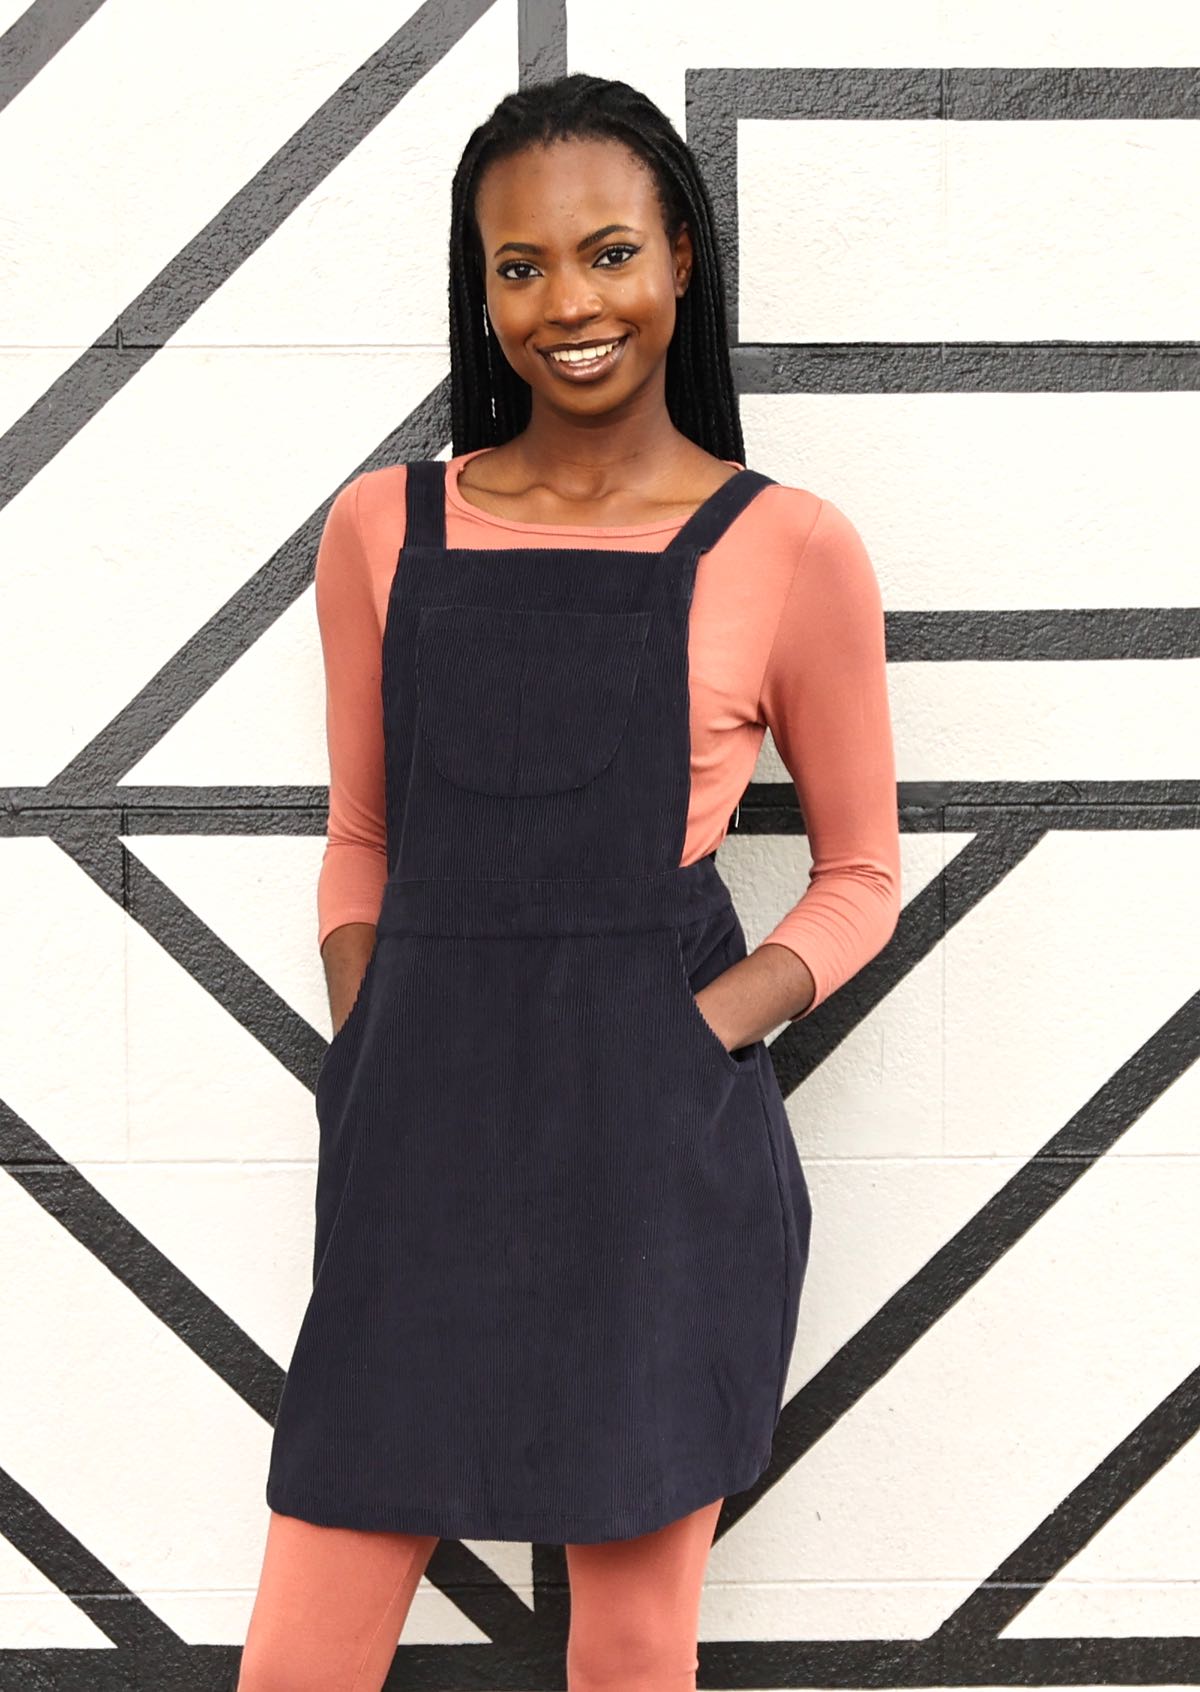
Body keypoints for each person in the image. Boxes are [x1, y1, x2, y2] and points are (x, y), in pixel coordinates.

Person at [238, 70, 900, 1692]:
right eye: (519, 267)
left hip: (652, 1156)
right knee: (308, 1639)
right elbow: (364, 834)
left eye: (608, 253)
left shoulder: (790, 546)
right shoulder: (381, 527)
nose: (569, 305)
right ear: (482, 289)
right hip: (419, 1139)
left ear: (680, 257)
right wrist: (373, 1032)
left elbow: (861, 876)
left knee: (629, 1648)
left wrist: (696, 1032)